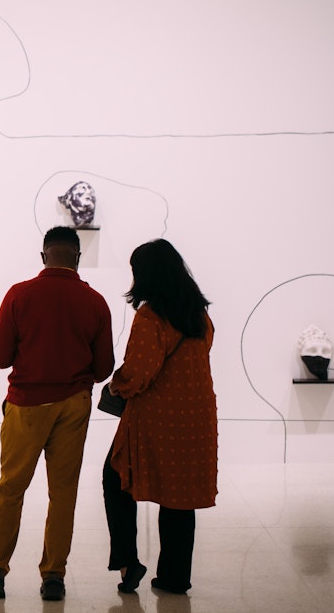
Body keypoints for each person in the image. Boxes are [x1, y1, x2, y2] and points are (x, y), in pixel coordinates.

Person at [0, 226, 114, 601]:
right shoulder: (95, 302)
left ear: (43, 255)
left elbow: (0, 357)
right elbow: (103, 369)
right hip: (73, 405)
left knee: (10, 490)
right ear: (78, 258)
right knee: (63, 493)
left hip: (26, 406)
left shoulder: (19, 295)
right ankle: (53, 577)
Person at [102, 238, 216, 595]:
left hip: (157, 419)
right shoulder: (199, 315)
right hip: (196, 416)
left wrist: (114, 385)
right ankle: (175, 577)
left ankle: (128, 562)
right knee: (178, 499)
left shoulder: (151, 317)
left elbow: (139, 372)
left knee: (115, 478)